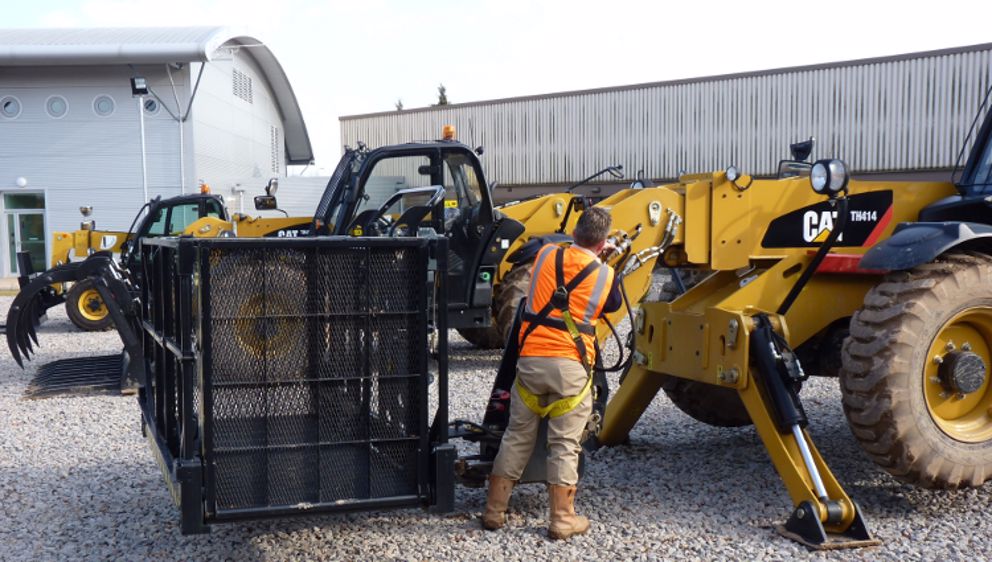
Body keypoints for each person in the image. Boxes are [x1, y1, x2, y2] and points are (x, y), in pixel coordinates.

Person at [482, 207, 621, 540]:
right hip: (570, 369)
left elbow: (548, 251)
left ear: (574, 234)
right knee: (564, 445)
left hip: (530, 363)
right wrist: (605, 261)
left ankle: (493, 511)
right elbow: (612, 305)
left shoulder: (545, 256)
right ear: (602, 244)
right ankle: (562, 519)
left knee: (516, 437)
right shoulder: (604, 275)